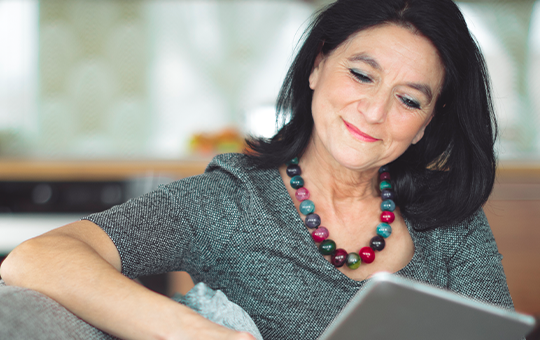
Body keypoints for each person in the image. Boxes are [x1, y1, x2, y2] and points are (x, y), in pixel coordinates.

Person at [0, 0, 515, 339]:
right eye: (361, 75)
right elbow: (36, 258)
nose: (375, 112)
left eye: (407, 99)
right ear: (317, 66)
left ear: (425, 124)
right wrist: (197, 334)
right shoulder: (230, 203)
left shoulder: (451, 219)